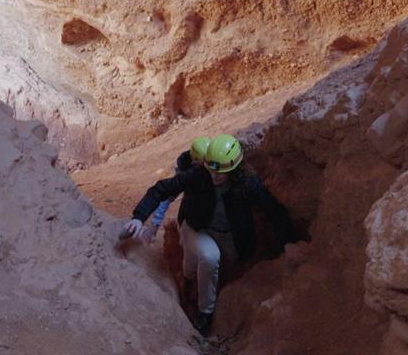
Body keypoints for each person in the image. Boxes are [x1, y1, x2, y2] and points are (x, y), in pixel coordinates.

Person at [122, 134, 309, 337]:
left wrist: (289, 241)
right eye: (211, 169)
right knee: (204, 260)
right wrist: (139, 217)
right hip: (197, 228)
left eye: (221, 171)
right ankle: (197, 298)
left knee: (215, 266)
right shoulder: (199, 175)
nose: (215, 176)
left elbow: (273, 209)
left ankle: (203, 304)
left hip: (230, 238)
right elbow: (161, 189)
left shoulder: (247, 183)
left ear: (235, 168)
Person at [147, 136, 211, 232]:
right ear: (194, 162)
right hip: (192, 211)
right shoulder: (186, 173)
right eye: (203, 164)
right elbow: (169, 195)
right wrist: (155, 222)